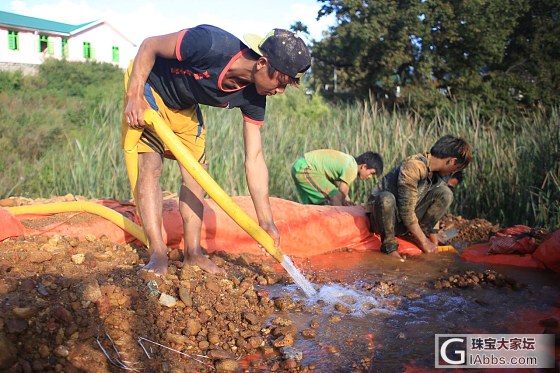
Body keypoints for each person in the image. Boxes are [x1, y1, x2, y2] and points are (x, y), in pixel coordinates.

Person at [122, 25, 311, 276]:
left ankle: (193, 254)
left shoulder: (255, 97)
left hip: (183, 106)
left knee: (197, 175)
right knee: (151, 166)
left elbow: (254, 157)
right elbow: (149, 45)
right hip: (149, 89)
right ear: (261, 63)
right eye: (281, 82)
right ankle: (157, 253)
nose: (279, 91)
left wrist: (266, 220)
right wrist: (135, 96)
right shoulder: (209, 43)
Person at [366, 135, 472, 259]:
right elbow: (406, 210)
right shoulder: (414, 166)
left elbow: (433, 210)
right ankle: (389, 247)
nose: (453, 173)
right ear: (451, 161)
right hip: (382, 218)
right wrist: (424, 241)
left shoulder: (437, 176)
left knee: (446, 193)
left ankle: (414, 234)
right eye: (456, 168)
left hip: (403, 223)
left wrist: (433, 238)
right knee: (386, 198)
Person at [291, 149, 383, 206]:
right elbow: (341, 193)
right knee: (336, 197)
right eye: (371, 173)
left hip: (301, 165)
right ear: (364, 166)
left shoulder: (349, 161)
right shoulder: (352, 167)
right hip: (305, 168)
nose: (370, 177)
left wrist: (348, 202)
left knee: (313, 206)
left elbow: (343, 195)